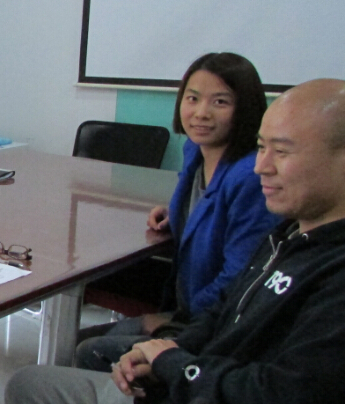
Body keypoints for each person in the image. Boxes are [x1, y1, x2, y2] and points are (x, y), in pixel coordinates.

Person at [0, 78, 345, 404]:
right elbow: (223, 314)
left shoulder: (335, 277)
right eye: (261, 146)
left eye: (281, 152)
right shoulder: (290, 232)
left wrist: (176, 365)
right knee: (28, 385)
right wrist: (163, 350)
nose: (261, 166)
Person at [76, 53, 279, 370]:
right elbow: (205, 206)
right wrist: (179, 215)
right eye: (192, 98)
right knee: (77, 342)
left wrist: (175, 322)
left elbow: (240, 279)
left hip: (213, 326)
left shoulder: (250, 176)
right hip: (186, 307)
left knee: (86, 350)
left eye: (220, 102)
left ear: (246, 108)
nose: (201, 113)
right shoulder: (196, 149)